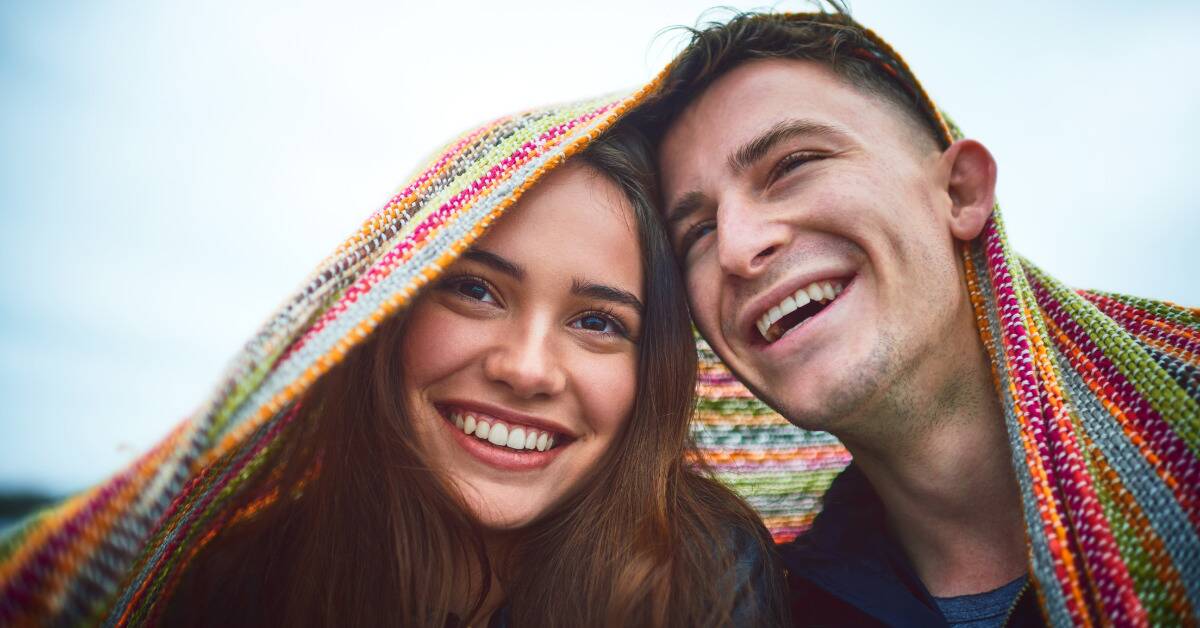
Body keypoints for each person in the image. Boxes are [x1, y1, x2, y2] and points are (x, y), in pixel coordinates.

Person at [0, 96, 788, 626]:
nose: (526, 367)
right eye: (476, 291)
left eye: (596, 320)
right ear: (385, 319)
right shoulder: (237, 579)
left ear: (652, 376)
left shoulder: (705, 575)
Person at [630, 8, 1200, 627]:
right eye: (697, 231)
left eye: (792, 165)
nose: (738, 248)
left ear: (960, 191)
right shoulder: (758, 607)